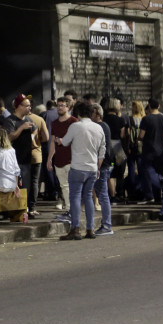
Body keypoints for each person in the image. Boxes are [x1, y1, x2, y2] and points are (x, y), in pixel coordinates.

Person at [57, 101, 105, 240]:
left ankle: (75, 229)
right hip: (92, 167)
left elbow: (65, 142)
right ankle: (90, 229)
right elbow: (102, 150)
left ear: (78, 113)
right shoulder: (98, 128)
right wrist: (98, 167)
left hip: (77, 167)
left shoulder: (75, 126)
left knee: (75, 197)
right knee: (89, 197)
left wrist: (58, 140)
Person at [2, 94, 39, 216]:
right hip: (13, 159)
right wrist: (21, 128)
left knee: (25, 187)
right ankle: (11, 211)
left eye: (30, 105)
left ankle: (24, 210)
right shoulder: (10, 120)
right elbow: (9, 137)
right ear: (19, 106)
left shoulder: (29, 119)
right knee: (13, 186)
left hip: (26, 158)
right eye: (27, 106)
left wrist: (33, 138)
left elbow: (36, 129)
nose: (30, 108)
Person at [138, 98, 163, 204]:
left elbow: (141, 136)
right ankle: (159, 196)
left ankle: (150, 195)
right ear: (159, 106)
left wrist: (139, 139)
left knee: (148, 173)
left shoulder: (146, 119)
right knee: (159, 172)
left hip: (148, 150)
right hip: (160, 151)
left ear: (149, 106)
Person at [47, 97, 77, 221]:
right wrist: (49, 159)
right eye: (58, 105)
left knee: (72, 187)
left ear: (68, 107)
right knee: (63, 186)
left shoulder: (73, 121)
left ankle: (73, 211)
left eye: (62, 105)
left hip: (71, 159)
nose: (60, 108)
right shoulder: (54, 123)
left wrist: (64, 141)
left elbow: (77, 140)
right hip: (58, 160)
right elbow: (52, 142)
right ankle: (69, 211)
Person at [91, 104, 114, 235]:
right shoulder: (104, 126)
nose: (90, 116)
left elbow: (100, 148)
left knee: (103, 196)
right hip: (102, 165)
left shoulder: (100, 127)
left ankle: (106, 225)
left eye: (92, 113)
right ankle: (106, 225)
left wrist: (98, 165)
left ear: (98, 114)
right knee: (102, 195)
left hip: (101, 165)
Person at [103, 98, 127, 202]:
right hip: (117, 145)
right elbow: (122, 135)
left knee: (108, 171)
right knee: (120, 171)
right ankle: (120, 193)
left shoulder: (103, 119)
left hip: (106, 145)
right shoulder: (120, 119)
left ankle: (111, 194)